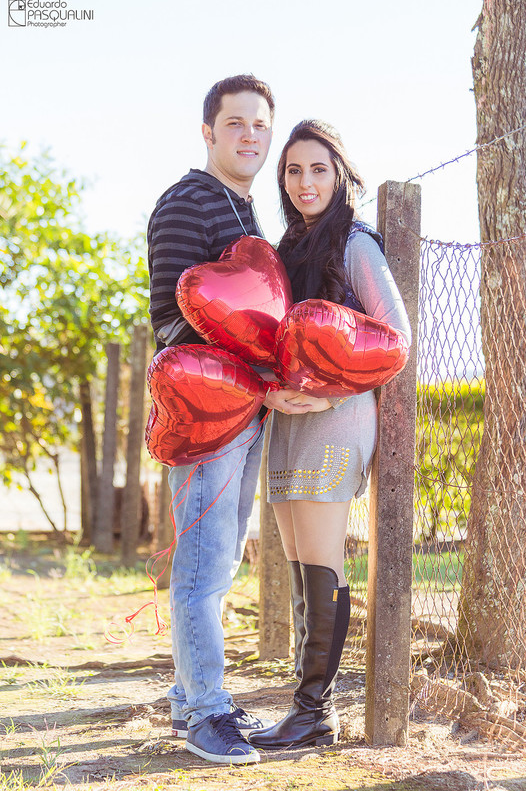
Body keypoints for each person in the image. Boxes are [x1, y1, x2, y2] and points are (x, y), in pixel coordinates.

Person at [147, 75, 308, 765]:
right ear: (207, 132)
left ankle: (195, 695)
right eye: (235, 123)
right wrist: (254, 372)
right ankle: (205, 714)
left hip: (247, 409)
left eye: (260, 125)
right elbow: (172, 320)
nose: (249, 136)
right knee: (204, 566)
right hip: (208, 410)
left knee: (218, 562)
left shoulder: (243, 212)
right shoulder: (188, 203)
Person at [249, 120, 412, 751]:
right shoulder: (288, 247)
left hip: (337, 419)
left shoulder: (356, 244)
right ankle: (305, 705)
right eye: (293, 170)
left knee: (321, 559)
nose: (305, 181)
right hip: (287, 420)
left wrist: (330, 387)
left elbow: (394, 338)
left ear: (339, 174)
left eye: (318, 169)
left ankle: (315, 711)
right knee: (297, 562)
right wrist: (272, 388)